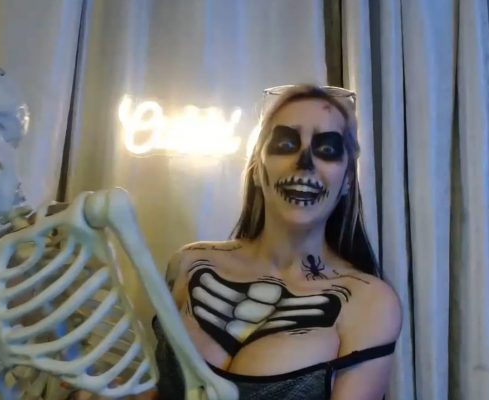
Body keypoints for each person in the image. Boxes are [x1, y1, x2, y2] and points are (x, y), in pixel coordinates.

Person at [156, 84, 402, 400]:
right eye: (285, 144)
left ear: (347, 182)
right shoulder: (189, 264)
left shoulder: (370, 302)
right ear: (257, 170)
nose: (305, 163)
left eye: (327, 149)